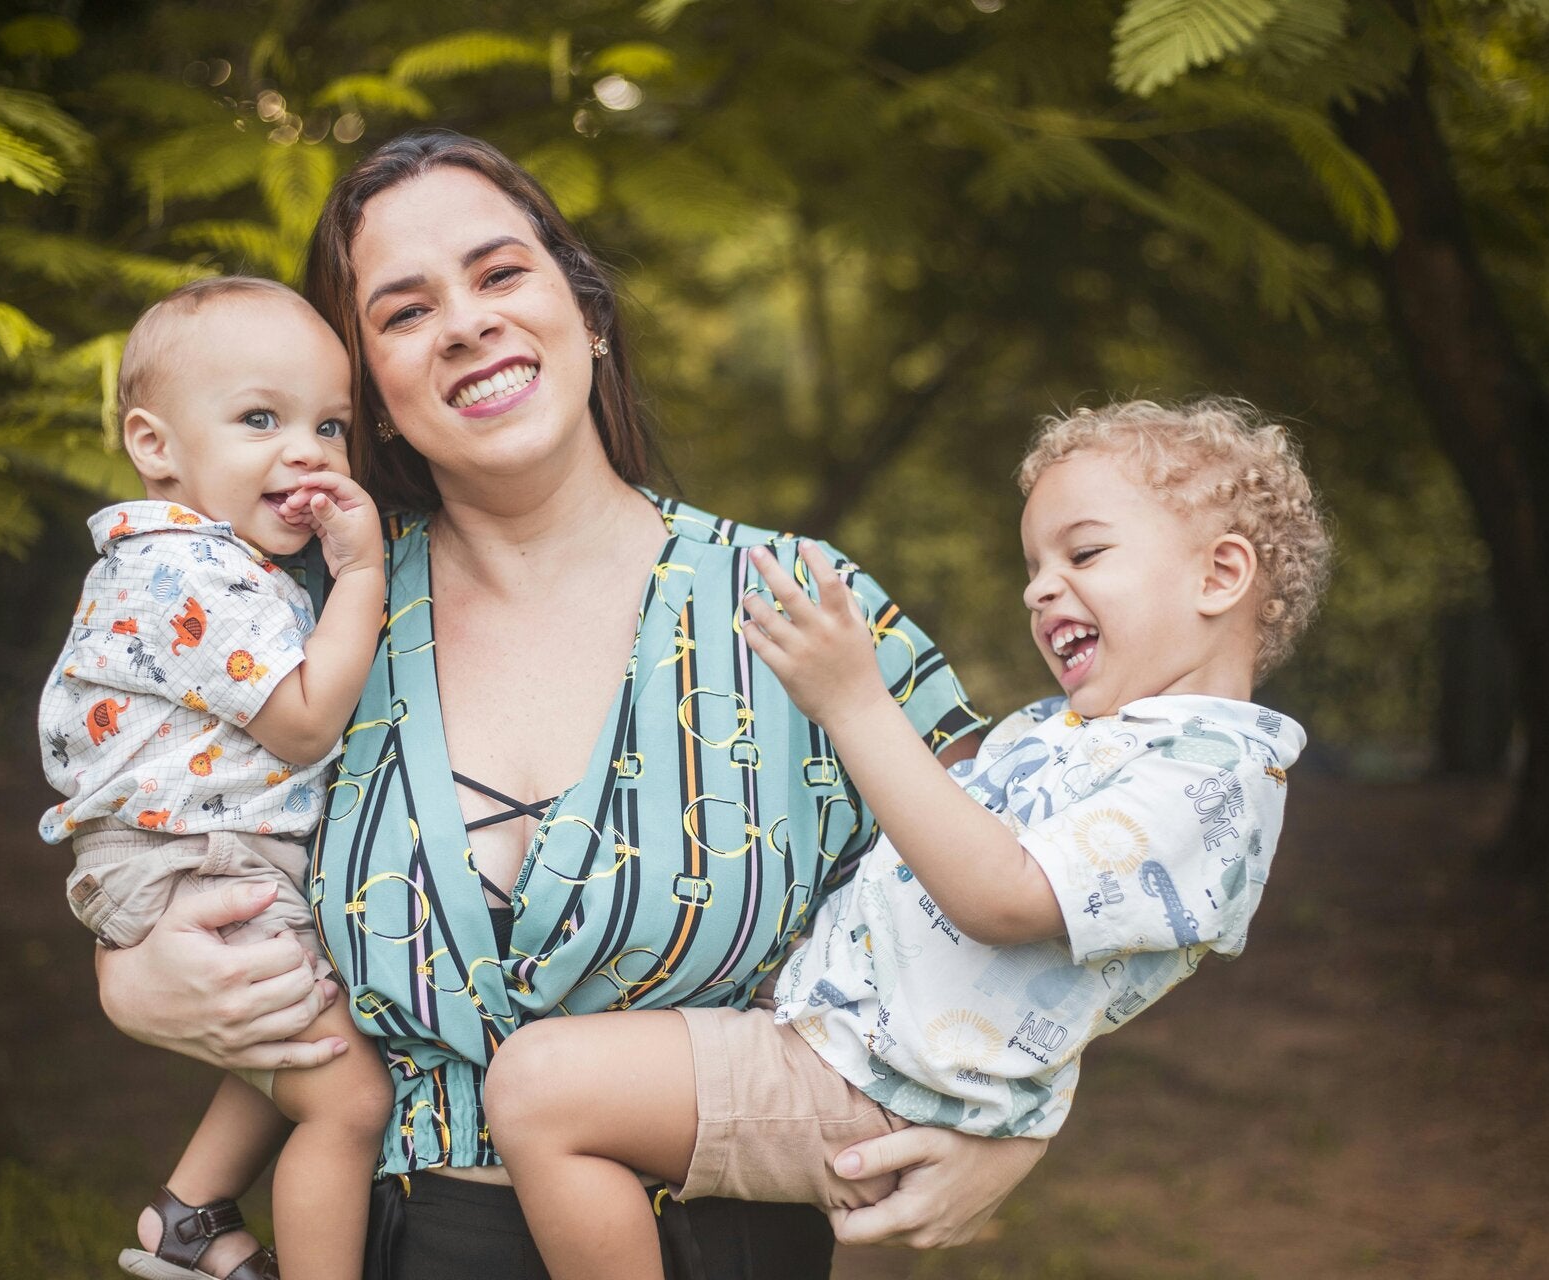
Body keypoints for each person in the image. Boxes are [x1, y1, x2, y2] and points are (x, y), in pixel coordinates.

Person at [94, 130, 1049, 1278]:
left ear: (584, 309)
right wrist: (127, 973)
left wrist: (1021, 1119)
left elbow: (1042, 880)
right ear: (368, 398)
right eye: (405, 312)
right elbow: (136, 795)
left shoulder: (800, 600)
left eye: (500, 273)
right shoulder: (296, 617)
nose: (465, 323)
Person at [484, 398, 1333, 1280]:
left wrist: (855, 703)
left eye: (1083, 554)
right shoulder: (1087, 733)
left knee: (541, 1090)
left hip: (871, 1086)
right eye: (1035, 566)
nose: (1039, 588)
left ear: (1219, 575)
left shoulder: (1212, 777)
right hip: (845, 1047)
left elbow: (1002, 897)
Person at [38, 276, 393, 1280]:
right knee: (349, 1097)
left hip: (193, 846)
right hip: (195, 858)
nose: (308, 450)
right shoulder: (192, 573)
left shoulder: (209, 560)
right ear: (155, 445)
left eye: (329, 425)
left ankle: (188, 1214)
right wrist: (363, 574)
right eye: (259, 419)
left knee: (302, 1033)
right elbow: (305, 722)